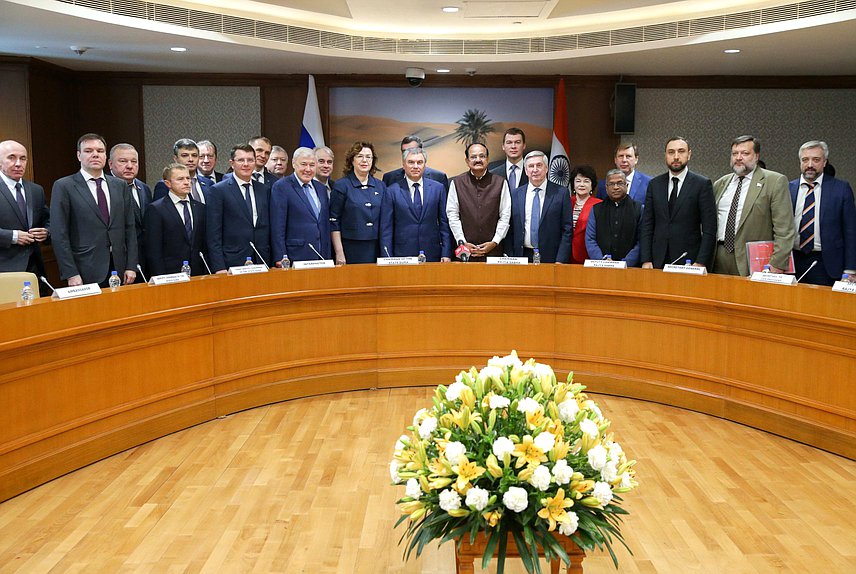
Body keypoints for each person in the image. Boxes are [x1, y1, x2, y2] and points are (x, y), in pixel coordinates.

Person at [51, 133, 137, 286]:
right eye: (89, 151)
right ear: (79, 155)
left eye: (100, 151)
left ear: (105, 156)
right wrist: (71, 273)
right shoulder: (64, 186)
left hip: (119, 267)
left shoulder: (120, 185)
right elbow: (59, 234)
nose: (95, 155)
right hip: (84, 269)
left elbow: (130, 228)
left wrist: (131, 266)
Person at [712, 135, 795, 276]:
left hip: (753, 260)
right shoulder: (720, 183)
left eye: (745, 153)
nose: (738, 157)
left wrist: (777, 264)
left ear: (756, 156)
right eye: (734, 153)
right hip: (718, 256)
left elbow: (785, 229)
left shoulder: (774, 181)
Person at [639, 137, 717, 269]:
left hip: (690, 260)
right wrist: (646, 259)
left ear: (689, 154)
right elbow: (647, 224)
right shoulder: (654, 184)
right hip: (657, 259)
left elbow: (709, 228)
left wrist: (701, 261)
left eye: (681, 151)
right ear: (665, 155)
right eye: (671, 152)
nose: (676, 156)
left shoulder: (702, 184)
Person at [788, 140, 856, 285]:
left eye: (816, 160)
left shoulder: (841, 189)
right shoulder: (788, 188)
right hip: (792, 260)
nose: (810, 165)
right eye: (805, 160)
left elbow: (851, 231)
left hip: (827, 262)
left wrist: (851, 269)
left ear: (825, 162)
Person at [206, 144, 272, 273]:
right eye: (241, 160)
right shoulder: (218, 190)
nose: (246, 164)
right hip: (232, 260)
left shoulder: (264, 190)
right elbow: (213, 233)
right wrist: (219, 266)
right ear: (232, 163)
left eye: (250, 160)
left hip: (261, 259)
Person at [380, 147, 452, 261]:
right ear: (403, 165)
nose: (415, 166)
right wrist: (387, 257)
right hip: (402, 255)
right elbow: (386, 229)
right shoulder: (391, 191)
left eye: (419, 162)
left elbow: (444, 224)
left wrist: (446, 253)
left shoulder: (438, 188)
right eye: (411, 162)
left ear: (425, 165)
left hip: (433, 253)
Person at [446, 142, 511, 260]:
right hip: (464, 252)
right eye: (473, 157)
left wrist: (495, 242)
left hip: (493, 252)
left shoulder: (500, 182)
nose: (478, 160)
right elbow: (452, 215)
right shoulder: (457, 183)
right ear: (466, 160)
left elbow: (505, 216)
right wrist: (462, 241)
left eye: (482, 156)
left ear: (488, 159)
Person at [506, 151, 571, 263]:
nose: (535, 170)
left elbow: (567, 230)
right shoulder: (516, 194)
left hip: (551, 257)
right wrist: (511, 256)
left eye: (539, 165)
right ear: (526, 170)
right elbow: (510, 227)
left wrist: (560, 260)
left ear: (546, 169)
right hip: (521, 256)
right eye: (531, 166)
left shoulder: (561, 193)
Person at [0, 140, 50, 287]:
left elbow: (48, 220)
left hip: (35, 270)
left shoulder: (35, 190)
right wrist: (13, 237)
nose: (18, 163)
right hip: (4, 271)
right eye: (11, 157)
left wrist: (46, 232)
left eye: (23, 158)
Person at [143, 163, 207, 276]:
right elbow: (154, 249)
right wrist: (160, 276)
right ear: (168, 183)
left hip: (198, 271)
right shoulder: (156, 209)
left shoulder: (200, 208)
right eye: (180, 179)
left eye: (188, 178)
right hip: (170, 273)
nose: (187, 182)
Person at [270, 147, 331, 264]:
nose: (308, 169)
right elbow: (277, 226)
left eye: (312, 165)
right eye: (303, 164)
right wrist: (280, 256)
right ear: (294, 163)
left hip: (321, 255)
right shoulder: (282, 187)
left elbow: (324, 224)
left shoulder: (321, 189)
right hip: (295, 255)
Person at [330, 142, 386, 264]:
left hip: (376, 246)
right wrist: (339, 252)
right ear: (352, 160)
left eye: (368, 157)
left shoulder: (380, 186)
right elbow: (334, 221)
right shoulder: (341, 185)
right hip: (350, 247)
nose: (364, 160)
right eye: (360, 156)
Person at [108, 143, 150, 281]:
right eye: (123, 161)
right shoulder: (105, 189)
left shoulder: (143, 188)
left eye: (134, 161)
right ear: (110, 164)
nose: (130, 166)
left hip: (145, 260)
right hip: (117, 262)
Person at [585, 169, 642, 266]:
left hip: (631, 269)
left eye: (620, 183)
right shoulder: (596, 209)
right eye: (611, 184)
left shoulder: (639, 208)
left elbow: (642, 240)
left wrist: (626, 262)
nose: (615, 187)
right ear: (606, 188)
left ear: (626, 186)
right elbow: (590, 239)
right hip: (602, 267)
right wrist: (602, 260)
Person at [382, 136, 449, 191]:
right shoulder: (389, 178)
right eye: (404, 151)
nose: (408, 153)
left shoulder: (438, 177)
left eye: (412, 150)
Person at [568, 165, 601, 264]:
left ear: (592, 185)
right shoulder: (566, 202)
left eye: (586, 181)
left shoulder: (599, 204)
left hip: (588, 254)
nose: (581, 184)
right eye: (578, 181)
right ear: (573, 184)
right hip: (566, 254)